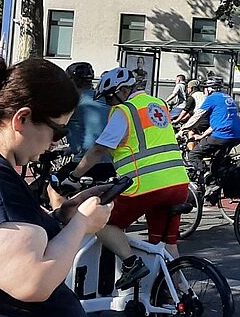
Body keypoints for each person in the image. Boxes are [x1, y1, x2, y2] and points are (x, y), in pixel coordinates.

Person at [0, 57, 114, 317]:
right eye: (58, 130)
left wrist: (62, 217)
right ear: (22, 119)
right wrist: (83, 224)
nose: (55, 143)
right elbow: (31, 281)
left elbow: (13, 235)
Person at [69, 66, 190, 290]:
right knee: (166, 243)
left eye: (110, 98)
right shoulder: (159, 105)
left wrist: (74, 175)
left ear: (122, 91)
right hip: (178, 182)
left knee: (101, 221)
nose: (109, 104)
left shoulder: (125, 111)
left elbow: (99, 149)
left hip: (146, 185)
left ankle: (131, 263)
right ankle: (181, 294)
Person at [64, 62, 113, 180]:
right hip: (111, 164)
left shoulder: (72, 102)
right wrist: (72, 148)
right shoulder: (104, 99)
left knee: (51, 189)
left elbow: (56, 126)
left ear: (70, 80)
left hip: (86, 164)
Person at [186, 77, 240, 176]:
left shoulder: (212, 98)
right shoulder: (228, 98)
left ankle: (205, 176)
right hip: (237, 136)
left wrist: (183, 129)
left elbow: (197, 116)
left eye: (204, 88)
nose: (203, 91)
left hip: (222, 136)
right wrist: (202, 136)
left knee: (193, 155)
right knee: (217, 162)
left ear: (209, 89)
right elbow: (217, 124)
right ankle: (217, 181)